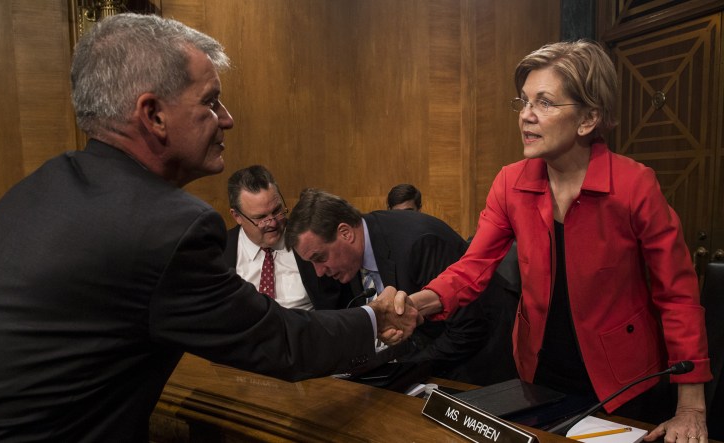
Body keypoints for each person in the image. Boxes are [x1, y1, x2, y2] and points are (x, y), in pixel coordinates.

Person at [0, 14, 419, 441]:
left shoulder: (41, 186)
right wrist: (375, 318)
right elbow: (280, 343)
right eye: (211, 101)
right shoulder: (165, 227)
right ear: (153, 114)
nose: (227, 119)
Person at [402, 40, 711, 440]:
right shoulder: (510, 182)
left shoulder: (635, 185)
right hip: (539, 373)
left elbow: (678, 296)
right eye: (524, 102)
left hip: (624, 382)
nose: (526, 116)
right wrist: (415, 306)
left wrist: (691, 408)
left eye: (545, 103)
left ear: (588, 119)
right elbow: (472, 268)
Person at [284, 188, 519, 384]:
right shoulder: (351, 257)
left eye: (320, 258)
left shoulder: (419, 244)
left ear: (345, 233)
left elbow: (469, 329)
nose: (319, 272)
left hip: (485, 364)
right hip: (437, 358)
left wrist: (399, 370)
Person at [224, 165, 354, 310]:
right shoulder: (219, 252)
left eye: (277, 210)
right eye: (261, 218)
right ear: (237, 216)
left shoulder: (311, 239)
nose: (273, 223)